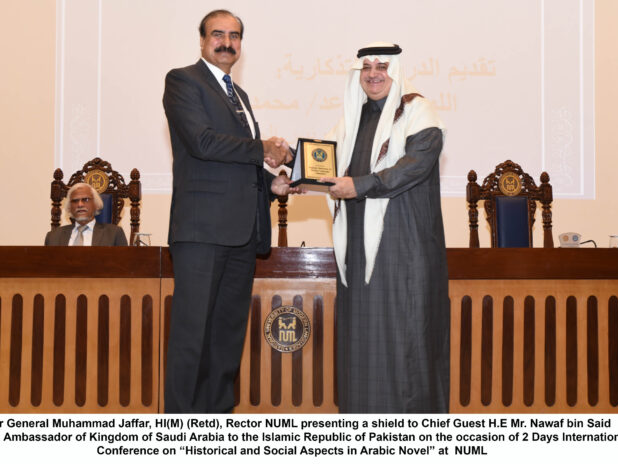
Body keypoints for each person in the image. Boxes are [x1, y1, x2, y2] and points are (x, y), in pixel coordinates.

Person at [162, 9, 299, 413]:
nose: (226, 42)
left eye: (234, 36)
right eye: (217, 34)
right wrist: (263, 148)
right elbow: (203, 143)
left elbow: (238, 168)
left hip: (241, 235)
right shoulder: (183, 80)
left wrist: (271, 187)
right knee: (191, 339)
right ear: (202, 41)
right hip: (202, 234)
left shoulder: (239, 95)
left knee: (225, 340)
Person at [319, 42, 450, 413]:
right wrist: (292, 165)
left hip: (404, 249)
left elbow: (413, 167)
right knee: (361, 344)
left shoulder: (418, 112)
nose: (374, 74)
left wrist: (359, 186)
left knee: (405, 341)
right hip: (359, 253)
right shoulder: (353, 119)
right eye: (367, 67)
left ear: (396, 71)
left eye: (382, 67)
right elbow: (324, 164)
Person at [45, 182, 128, 246]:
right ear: (70, 207)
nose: (80, 205)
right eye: (75, 201)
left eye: (86, 199)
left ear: (96, 204)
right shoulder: (53, 236)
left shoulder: (114, 234)